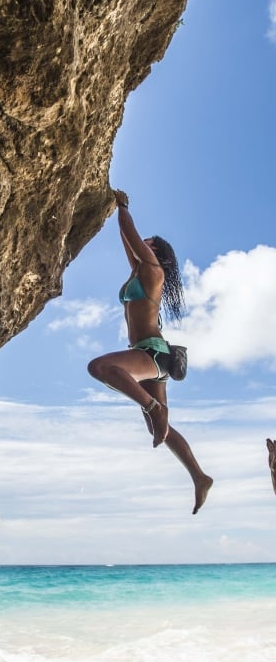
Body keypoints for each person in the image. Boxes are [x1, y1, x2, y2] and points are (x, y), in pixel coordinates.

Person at [87, 189, 213, 514]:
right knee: (160, 429)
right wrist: (118, 215)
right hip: (153, 355)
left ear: (154, 250)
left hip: (152, 353)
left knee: (100, 368)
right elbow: (126, 238)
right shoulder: (140, 271)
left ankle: (153, 407)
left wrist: (124, 205)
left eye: (147, 243)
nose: (141, 244)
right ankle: (199, 477)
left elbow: (130, 234)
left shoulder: (153, 272)